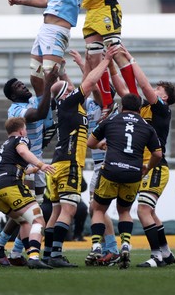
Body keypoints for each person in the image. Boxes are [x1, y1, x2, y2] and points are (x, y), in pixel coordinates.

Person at [42, 45, 119, 268]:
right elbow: (90, 82)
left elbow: (83, 85)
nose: (73, 89)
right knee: (70, 209)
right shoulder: (69, 103)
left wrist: (70, 67)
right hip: (69, 162)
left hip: (58, 162)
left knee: (56, 210)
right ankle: (56, 254)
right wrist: (106, 61)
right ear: (65, 93)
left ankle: (48, 253)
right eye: (69, 88)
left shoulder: (68, 105)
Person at [111, 47, 175, 267]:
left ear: (165, 97)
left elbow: (143, 85)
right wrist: (110, 61)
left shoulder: (162, 110)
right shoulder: (142, 109)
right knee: (150, 212)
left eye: (159, 89)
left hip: (156, 166)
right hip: (146, 166)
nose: (154, 90)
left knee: (142, 210)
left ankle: (156, 257)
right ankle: (166, 253)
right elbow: (123, 90)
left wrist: (129, 59)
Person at [86, 93, 162, 269]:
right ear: (140, 109)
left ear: (121, 107)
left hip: (111, 171)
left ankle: (97, 246)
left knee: (98, 209)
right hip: (133, 173)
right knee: (124, 211)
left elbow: (90, 142)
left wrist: (102, 144)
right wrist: (147, 167)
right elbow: (158, 154)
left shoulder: (111, 120)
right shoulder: (147, 126)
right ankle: (126, 245)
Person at [0, 67, 58, 266]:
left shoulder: (29, 101)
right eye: (19, 86)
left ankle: (14, 252)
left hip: (36, 160)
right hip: (27, 162)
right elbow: (40, 113)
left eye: (22, 83)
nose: (23, 86)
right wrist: (47, 85)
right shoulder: (16, 111)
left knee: (30, 210)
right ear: (13, 96)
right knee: (27, 209)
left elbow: (47, 107)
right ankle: (2, 245)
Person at [78, 0, 139, 120]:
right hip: (90, 11)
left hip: (107, 8)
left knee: (117, 52)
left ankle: (134, 97)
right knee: (94, 57)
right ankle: (108, 102)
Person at [8, 0, 84, 87]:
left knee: (50, 76)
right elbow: (48, 0)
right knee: (36, 76)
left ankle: (72, 105)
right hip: (45, 29)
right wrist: (21, 1)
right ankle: (43, 108)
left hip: (57, 31)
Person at [70, 49, 120, 264]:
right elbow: (88, 85)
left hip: (106, 164)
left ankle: (108, 248)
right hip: (98, 163)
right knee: (95, 207)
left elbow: (97, 89)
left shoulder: (107, 105)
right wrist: (83, 65)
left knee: (96, 207)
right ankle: (110, 248)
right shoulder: (90, 104)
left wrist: (90, 64)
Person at [0, 117, 55, 269]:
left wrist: (33, 169)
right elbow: (23, 151)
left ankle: (12, 251)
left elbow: (13, 166)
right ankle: (34, 257)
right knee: (38, 220)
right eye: (25, 129)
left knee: (24, 221)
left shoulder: (3, 146)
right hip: (10, 186)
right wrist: (40, 164)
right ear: (21, 130)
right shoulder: (21, 139)